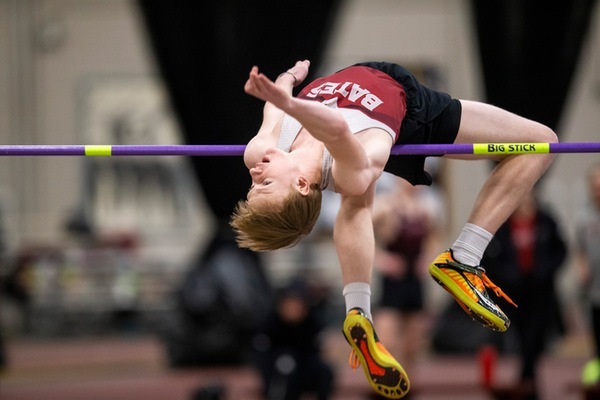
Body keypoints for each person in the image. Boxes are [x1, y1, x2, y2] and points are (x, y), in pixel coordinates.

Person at [230, 59, 557, 399]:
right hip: (408, 112)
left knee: (357, 202)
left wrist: (286, 80)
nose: (255, 175)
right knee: (542, 142)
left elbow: (273, 107)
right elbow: (336, 130)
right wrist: (291, 103)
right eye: (265, 184)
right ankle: (464, 256)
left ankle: (358, 311)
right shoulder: (350, 172)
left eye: (253, 187)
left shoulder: (259, 154)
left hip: (365, 82)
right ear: (300, 185)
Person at [481, 189, 567, 399]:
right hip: (513, 290)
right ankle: (526, 378)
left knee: (536, 335)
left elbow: (561, 250)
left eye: (528, 202)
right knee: (519, 334)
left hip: (540, 288)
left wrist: (546, 271)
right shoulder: (504, 225)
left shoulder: (545, 222)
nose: (525, 206)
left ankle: (528, 376)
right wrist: (506, 276)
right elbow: (490, 257)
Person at [371, 175, 444, 376]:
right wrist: (381, 260)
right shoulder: (386, 205)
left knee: (413, 345)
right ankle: (383, 382)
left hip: (415, 279)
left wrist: (428, 258)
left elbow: (435, 237)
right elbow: (359, 230)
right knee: (386, 341)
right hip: (393, 281)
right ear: (398, 179)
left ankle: (407, 384)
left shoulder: (428, 208)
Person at [252, 279, 334, 400]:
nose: (293, 308)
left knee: (325, 372)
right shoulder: (270, 322)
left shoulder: (312, 322)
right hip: (278, 367)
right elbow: (260, 351)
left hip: (304, 364)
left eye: (297, 304)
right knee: (286, 365)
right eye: (289, 303)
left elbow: (318, 348)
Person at [575, 163, 600, 382]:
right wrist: (581, 267)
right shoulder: (584, 216)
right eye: (594, 186)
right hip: (594, 287)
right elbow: (579, 248)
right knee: (596, 331)